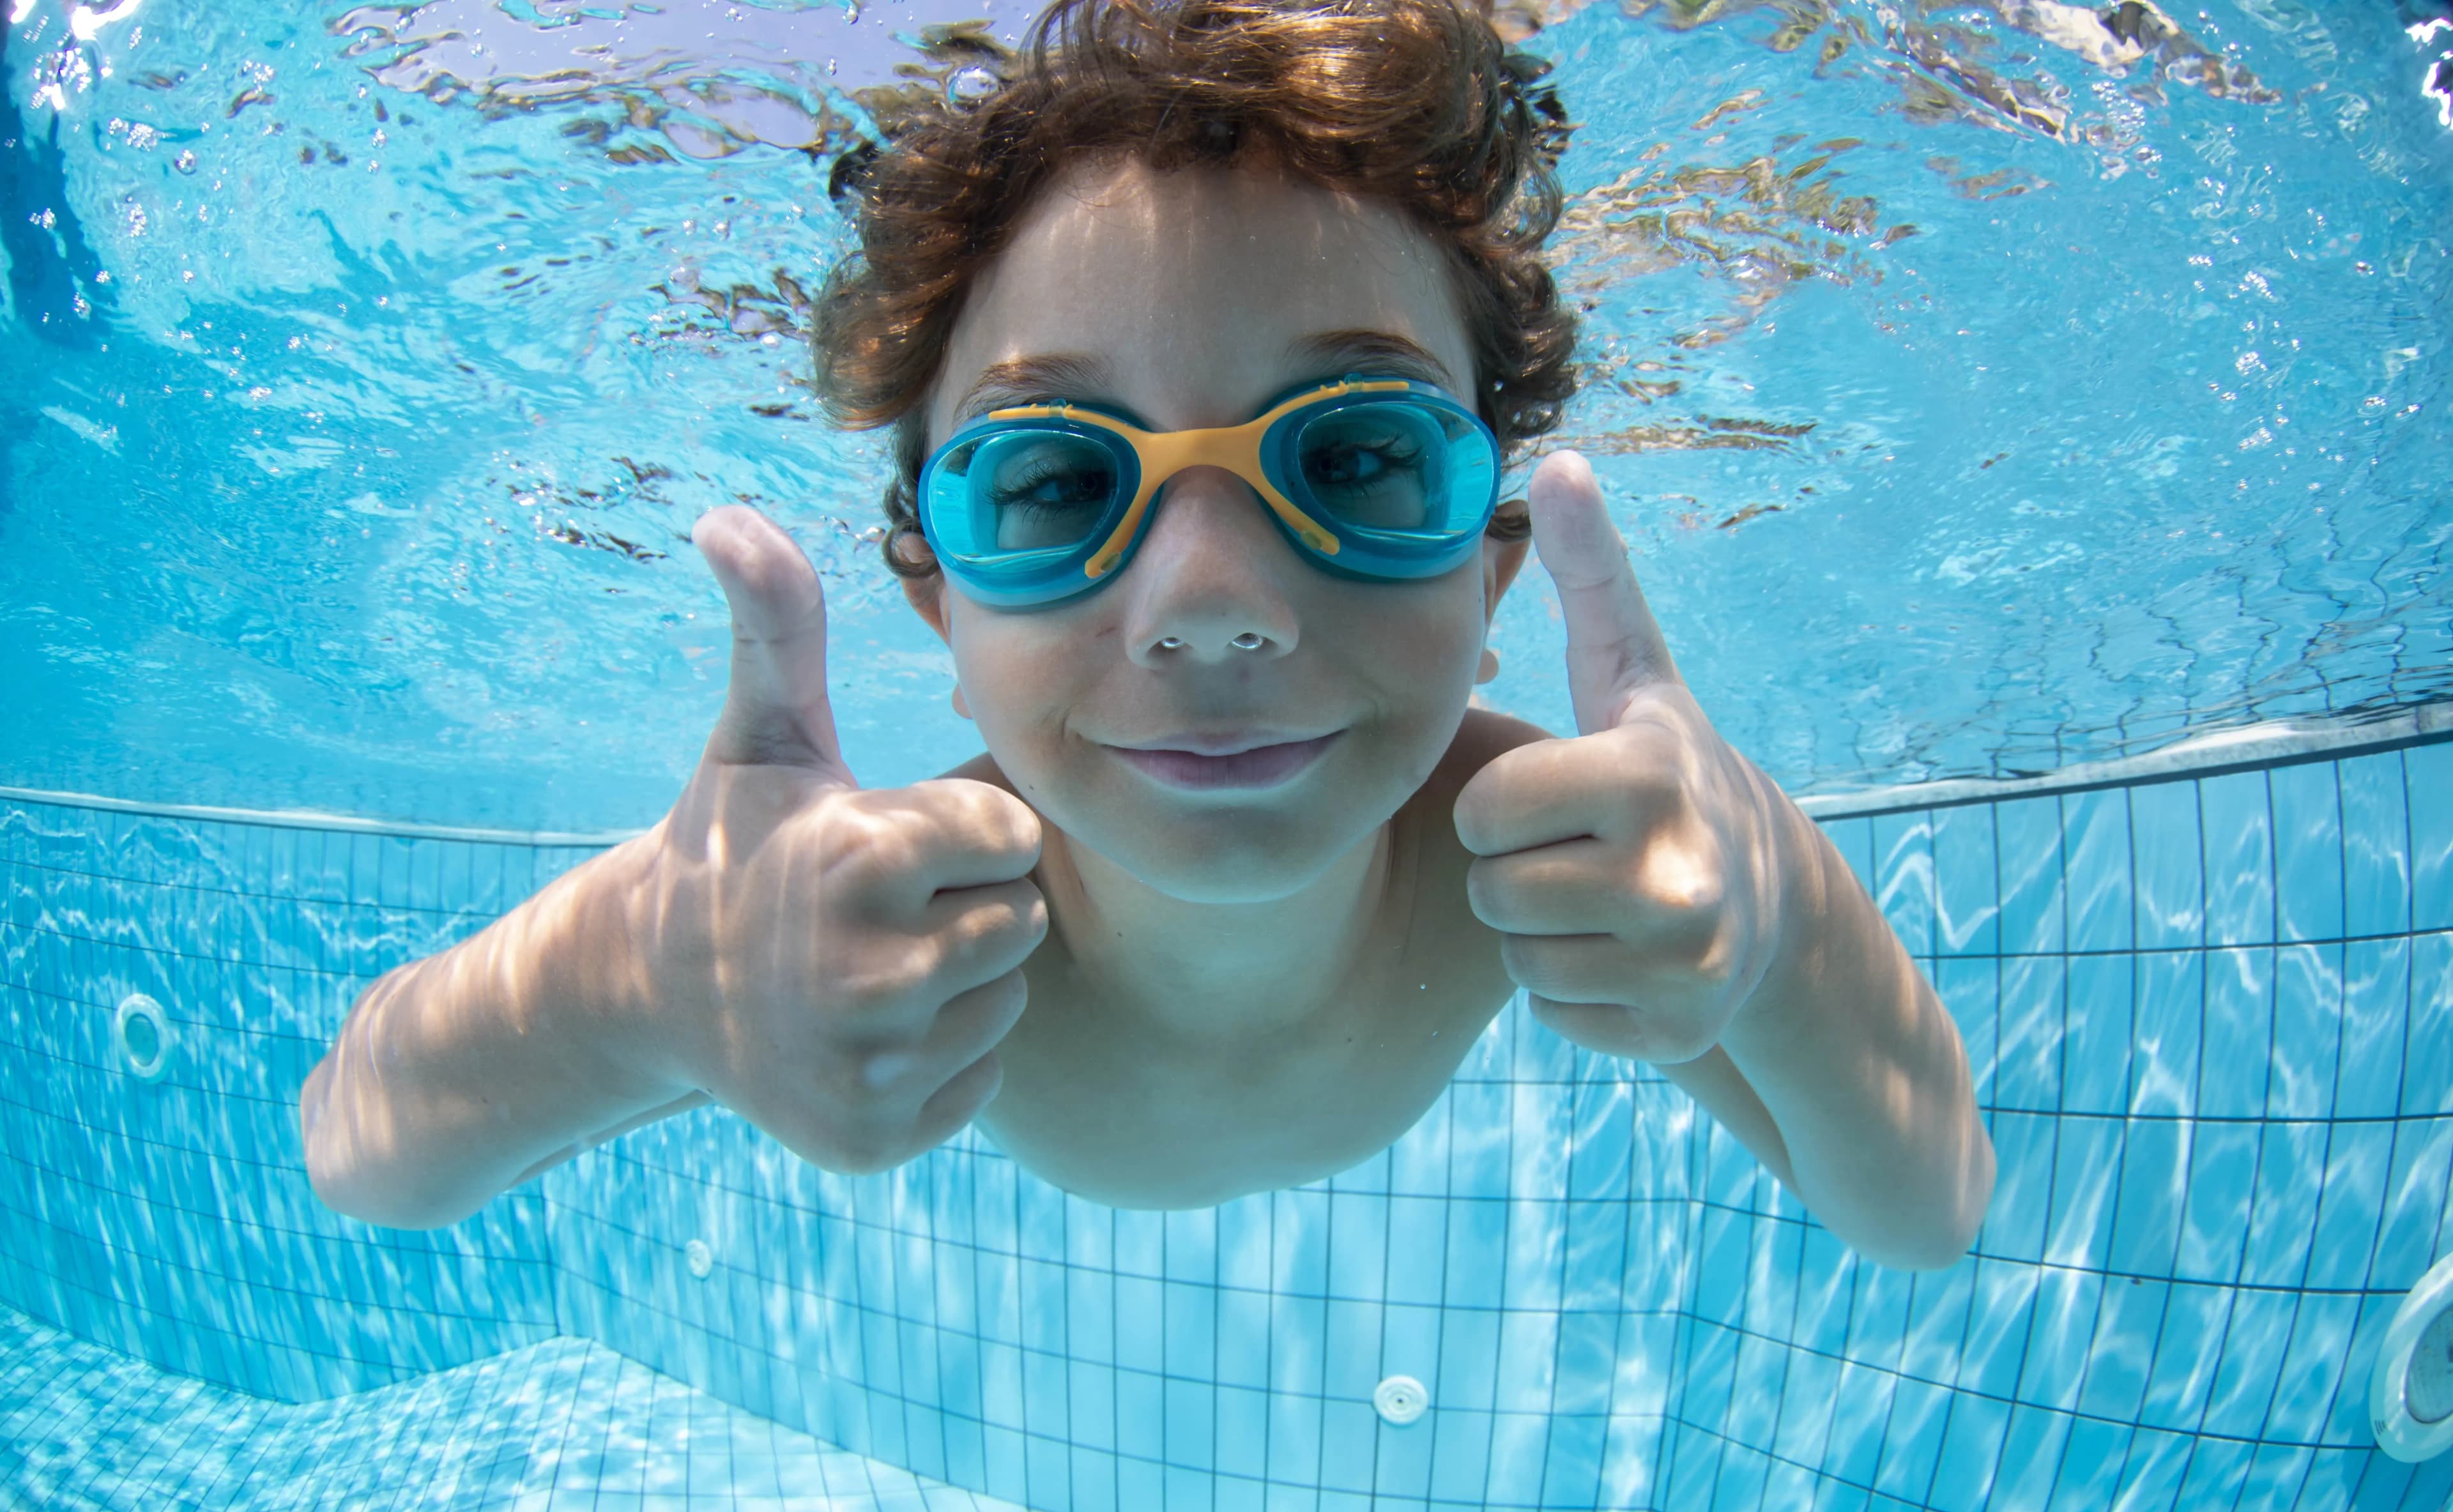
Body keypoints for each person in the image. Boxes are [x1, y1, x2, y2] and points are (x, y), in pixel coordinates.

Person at [300, 0, 1994, 1268]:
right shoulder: (889, 927)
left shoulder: (1549, 859)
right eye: (1051, 483)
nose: (1211, 604)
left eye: (1353, 455)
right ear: (937, 605)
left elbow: (1926, 1208)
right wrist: (650, 976)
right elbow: (359, 1147)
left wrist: (1776, 908)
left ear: (1491, 574)